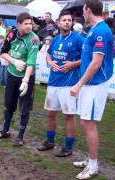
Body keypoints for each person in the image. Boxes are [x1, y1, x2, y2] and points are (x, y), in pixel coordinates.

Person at [70, 0, 113, 179]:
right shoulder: (94, 30)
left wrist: (79, 84)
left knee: (88, 124)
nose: (83, 13)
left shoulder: (101, 31)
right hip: (89, 84)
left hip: (95, 84)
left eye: (83, 10)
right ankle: (91, 160)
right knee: (86, 122)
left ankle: (94, 166)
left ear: (88, 10)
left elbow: (96, 63)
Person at [37, 11, 83, 157]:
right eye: (64, 20)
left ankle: (68, 147)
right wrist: (50, 62)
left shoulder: (78, 39)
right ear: (58, 22)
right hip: (53, 82)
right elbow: (48, 54)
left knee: (69, 116)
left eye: (70, 20)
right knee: (51, 114)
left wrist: (73, 64)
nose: (67, 22)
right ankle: (50, 141)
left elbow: (87, 58)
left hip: (69, 84)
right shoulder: (56, 39)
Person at [0, 12, 40, 146]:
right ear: (18, 24)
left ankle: (20, 136)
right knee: (9, 104)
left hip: (26, 77)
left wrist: (26, 80)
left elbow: (31, 62)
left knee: (24, 107)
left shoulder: (34, 39)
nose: (29, 26)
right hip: (11, 74)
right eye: (25, 24)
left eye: (30, 23)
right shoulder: (11, 34)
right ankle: (5, 130)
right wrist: (13, 61)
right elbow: (3, 53)